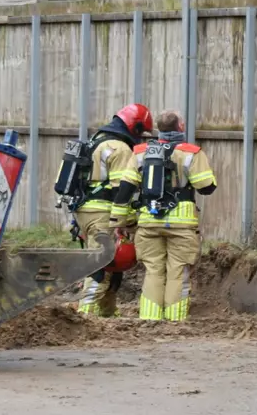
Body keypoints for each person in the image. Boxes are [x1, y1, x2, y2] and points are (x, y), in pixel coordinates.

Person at [133, 109, 217, 321]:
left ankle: (149, 319)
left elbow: (125, 187)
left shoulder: (141, 152)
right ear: (180, 127)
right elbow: (206, 187)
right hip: (181, 224)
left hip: (149, 221)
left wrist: (120, 220)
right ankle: (174, 321)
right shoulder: (191, 153)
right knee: (177, 272)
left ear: (158, 129)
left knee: (153, 270)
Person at [72, 103, 153, 317]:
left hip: (84, 212)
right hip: (103, 214)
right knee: (100, 266)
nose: (142, 138)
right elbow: (122, 190)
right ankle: (84, 315)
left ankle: (107, 312)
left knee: (111, 264)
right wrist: (128, 221)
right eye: (141, 132)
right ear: (134, 128)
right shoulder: (121, 148)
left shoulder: (94, 142)